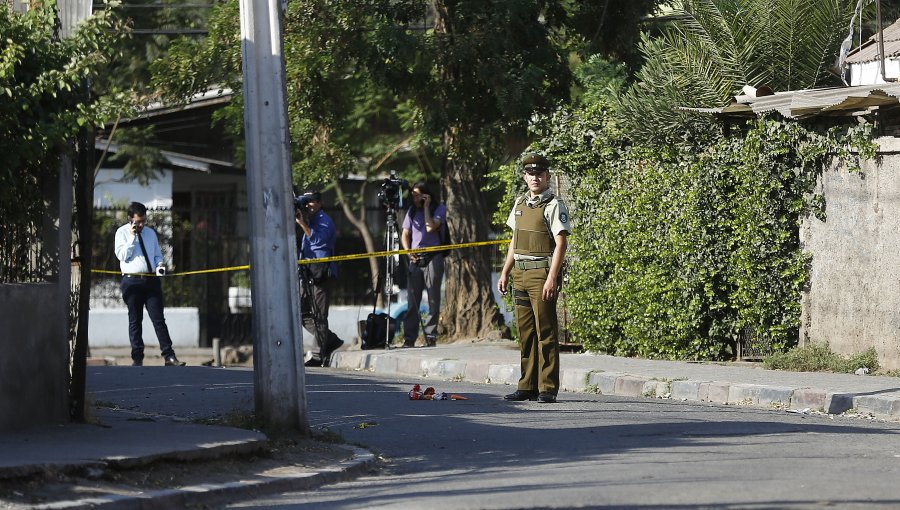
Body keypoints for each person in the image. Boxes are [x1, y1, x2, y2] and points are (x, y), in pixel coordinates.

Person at [497, 153, 571, 404]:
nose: (535, 178)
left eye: (539, 174)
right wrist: (505, 271)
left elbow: (561, 244)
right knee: (526, 332)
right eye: (530, 174)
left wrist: (552, 278)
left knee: (546, 332)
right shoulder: (519, 203)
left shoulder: (553, 205)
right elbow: (514, 241)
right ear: (524, 177)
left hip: (541, 274)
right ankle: (527, 385)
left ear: (547, 176)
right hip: (520, 273)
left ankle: (547, 387)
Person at [114, 202, 185, 367]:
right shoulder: (121, 233)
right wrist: (132, 237)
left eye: (143, 221)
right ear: (130, 219)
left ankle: (169, 356)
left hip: (151, 280)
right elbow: (122, 256)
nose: (141, 225)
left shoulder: (150, 233)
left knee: (159, 319)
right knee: (135, 320)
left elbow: (157, 255)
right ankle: (137, 358)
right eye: (138, 222)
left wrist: (160, 264)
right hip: (132, 281)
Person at [295, 190, 344, 367]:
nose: (308, 205)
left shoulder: (324, 221)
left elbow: (318, 241)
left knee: (320, 316)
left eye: (311, 201)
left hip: (322, 274)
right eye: (305, 202)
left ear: (320, 203)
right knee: (300, 312)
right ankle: (329, 338)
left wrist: (301, 223)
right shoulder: (310, 220)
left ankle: (317, 355)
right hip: (308, 272)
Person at [400, 182, 447, 347]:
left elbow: (430, 227)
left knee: (433, 299)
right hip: (415, 258)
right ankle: (409, 338)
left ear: (426, 195)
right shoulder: (411, 211)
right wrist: (408, 252)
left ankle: (430, 335)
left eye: (418, 195)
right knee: (413, 300)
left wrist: (427, 206)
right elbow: (405, 234)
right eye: (413, 195)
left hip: (433, 256)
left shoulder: (438, 208)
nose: (415, 198)